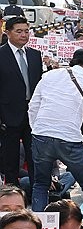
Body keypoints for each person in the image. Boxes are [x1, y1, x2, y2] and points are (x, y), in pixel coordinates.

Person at [28, 49, 83, 229]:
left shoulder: (49, 75)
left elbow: (33, 107)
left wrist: (38, 130)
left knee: (41, 184)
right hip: (70, 139)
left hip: (42, 134)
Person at [0, 16, 41, 186]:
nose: (24, 35)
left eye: (26, 31)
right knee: (10, 157)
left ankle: (37, 191)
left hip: (32, 113)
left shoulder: (34, 55)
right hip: (8, 114)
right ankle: (11, 193)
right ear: (8, 32)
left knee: (35, 156)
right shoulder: (1, 55)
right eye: (19, 31)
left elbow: (39, 85)